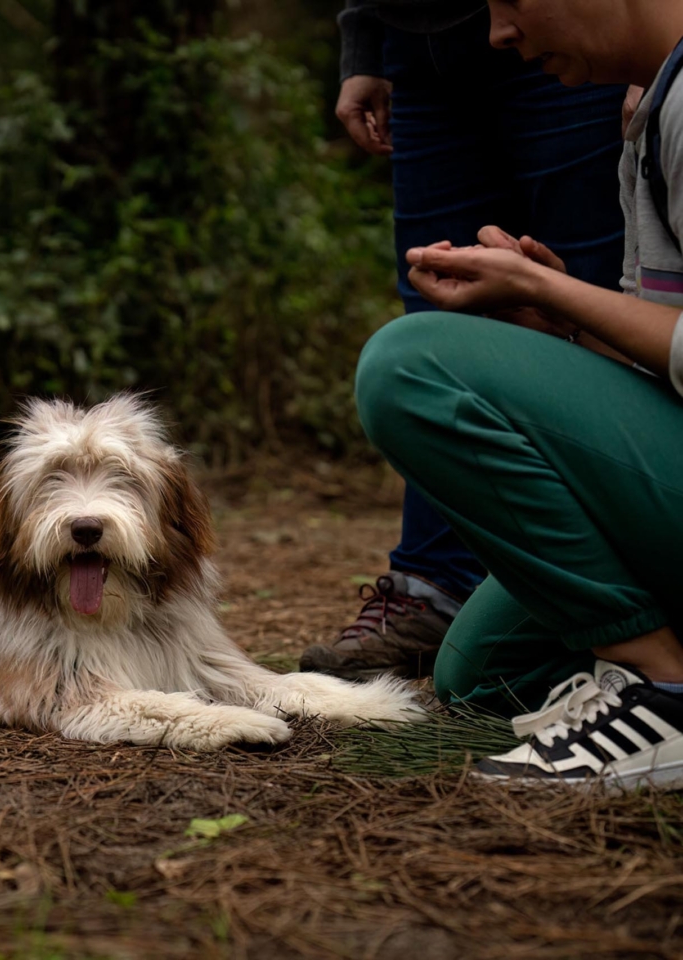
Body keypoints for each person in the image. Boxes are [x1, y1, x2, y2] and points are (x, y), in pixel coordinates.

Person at [355, 0, 683, 788]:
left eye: (507, 0)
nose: (497, 33)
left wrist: (551, 290)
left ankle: (665, 692)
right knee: (484, 673)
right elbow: (662, 360)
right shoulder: (648, 109)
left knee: (407, 365)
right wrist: (561, 321)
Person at [299, 0, 629, 681]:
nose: (498, 31)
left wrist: (645, 57)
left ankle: (633, 597)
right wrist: (366, 39)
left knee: (599, 288)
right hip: (418, 42)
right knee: (439, 315)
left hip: (571, 33)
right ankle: (435, 584)